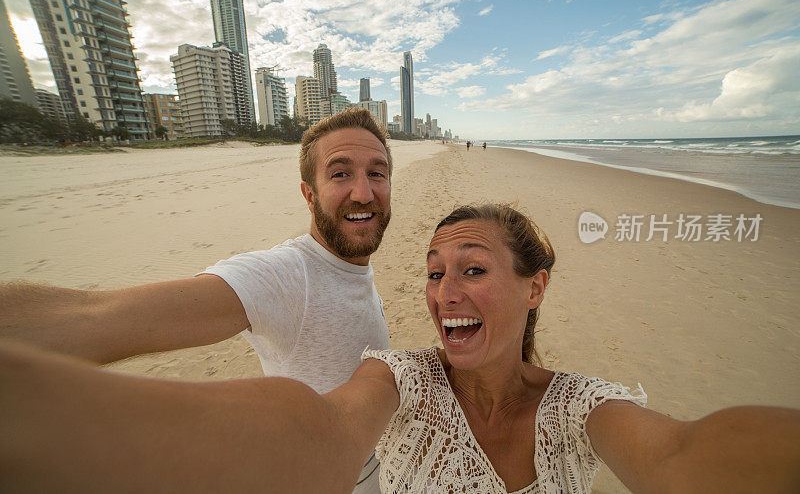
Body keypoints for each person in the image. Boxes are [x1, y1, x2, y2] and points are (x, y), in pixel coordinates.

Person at [2, 204, 799, 492]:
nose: (445, 291)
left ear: (535, 288)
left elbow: (680, 455)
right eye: (433, 273)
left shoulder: (580, 406)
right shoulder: (403, 377)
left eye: (474, 269)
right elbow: (317, 428)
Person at [0, 107, 394, 492]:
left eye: (376, 173)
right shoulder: (287, 275)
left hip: (380, 461)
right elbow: (94, 316)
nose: (363, 192)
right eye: (340, 174)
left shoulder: (352, 264)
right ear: (309, 195)